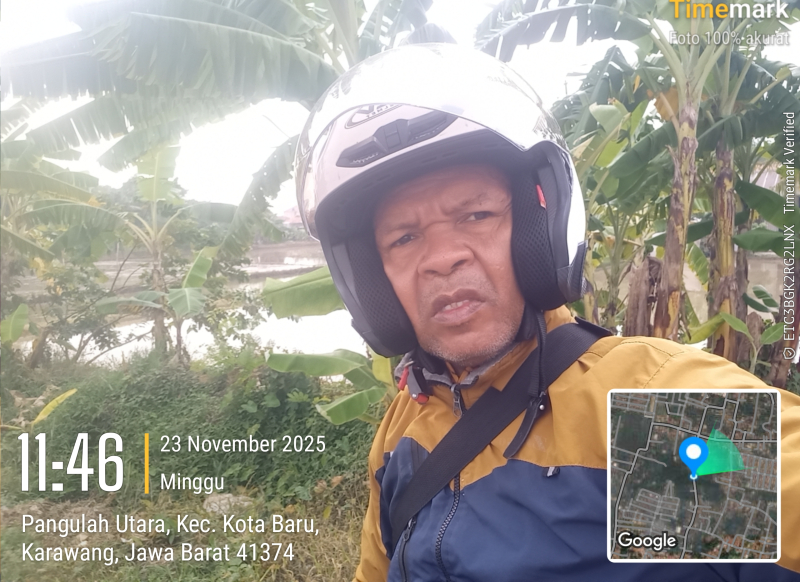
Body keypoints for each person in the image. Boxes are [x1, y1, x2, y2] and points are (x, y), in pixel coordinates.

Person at [293, 43, 800, 581]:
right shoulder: (404, 425)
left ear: (539, 230)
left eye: (476, 215)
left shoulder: (638, 410)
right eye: (404, 238)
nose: (442, 258)